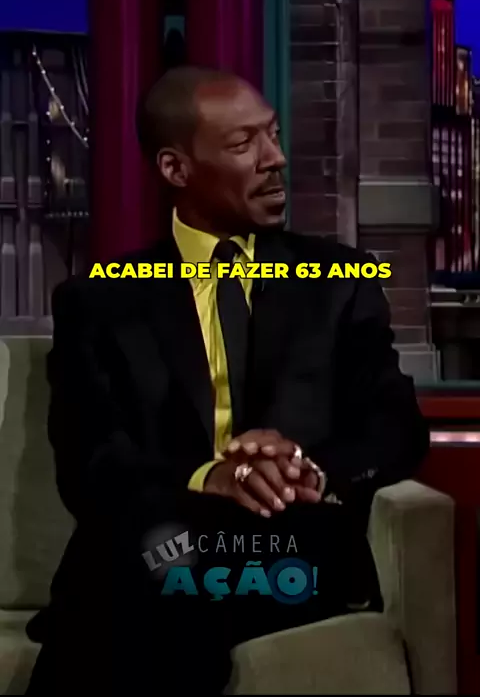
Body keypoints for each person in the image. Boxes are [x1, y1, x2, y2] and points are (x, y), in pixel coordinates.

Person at [27, 67, 429, 695]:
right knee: (161, 567)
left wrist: (306, 467)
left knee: (138, 587)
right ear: (176, 168)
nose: (276, 159)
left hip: (295, 542)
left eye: (273, 135)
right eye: (244, 144)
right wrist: (208, 477)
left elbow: (396, 427)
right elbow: (92, 460)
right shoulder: (101, 300)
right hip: (164, 535)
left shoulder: (339, 281)